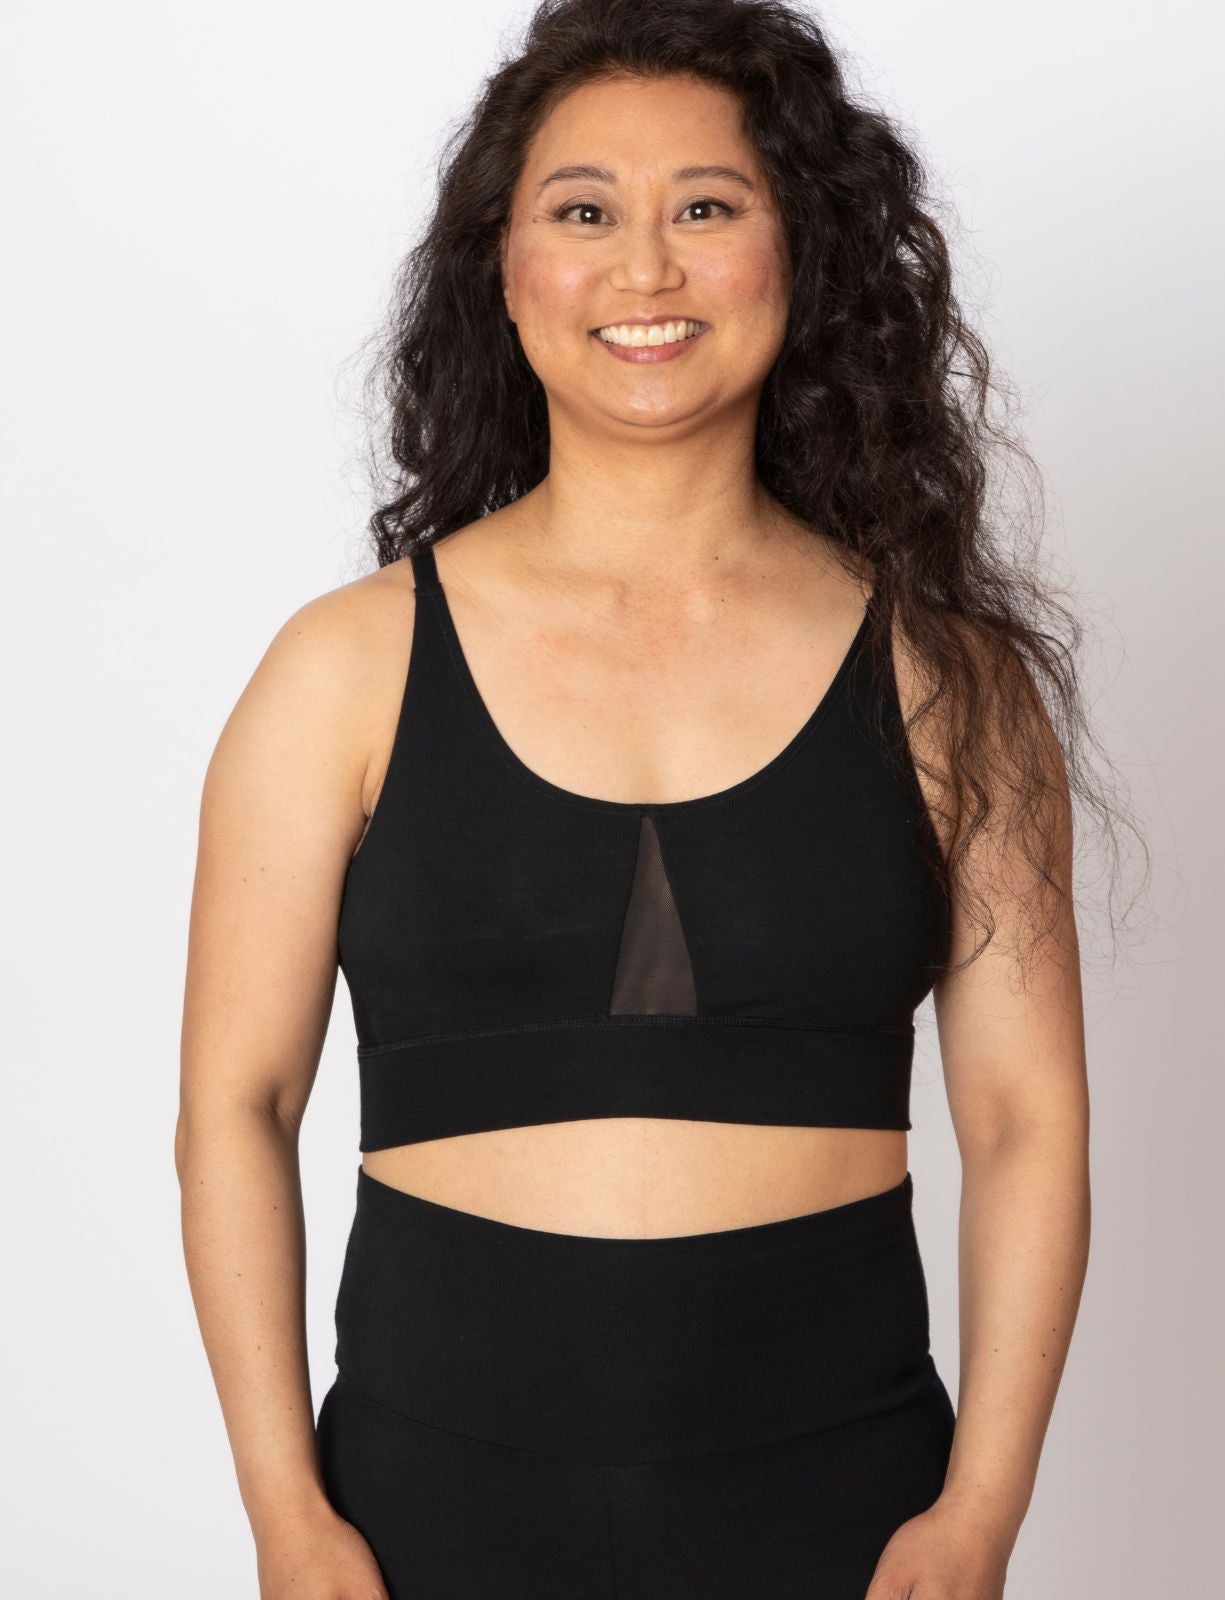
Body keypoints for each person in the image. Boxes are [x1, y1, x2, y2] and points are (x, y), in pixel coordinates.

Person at [177, 3, 1104, 1596]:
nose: (647, 269)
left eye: (709, 206)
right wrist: (287, 1516)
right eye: (585, 211)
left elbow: (1027, 1124)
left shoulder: (951, 682)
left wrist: (980, 1515)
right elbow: (235, 1108)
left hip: (845, 1517)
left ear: (800, 254)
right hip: (418, 1520)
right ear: (503, 266)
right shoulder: (342, 669)